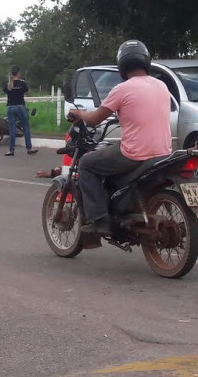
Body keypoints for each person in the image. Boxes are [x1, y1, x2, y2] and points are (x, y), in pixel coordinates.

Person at [67, 40, 172, 236]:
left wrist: (79, 114)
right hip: (163, 153)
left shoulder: (122, 89)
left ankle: (99, 220)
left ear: (122, 65)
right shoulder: (162, 86)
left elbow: (95, 119)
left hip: (134, 155)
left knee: (87, 163)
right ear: (146, 61)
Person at [3, 65, 37, 156]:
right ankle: (29, 148)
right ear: (18, 73)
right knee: (26, 127)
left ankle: (11, 150)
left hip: (10, 107)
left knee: (12, 128)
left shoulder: (8, 84)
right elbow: (29, 94)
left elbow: (5, 91)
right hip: (20, 107)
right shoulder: (22, 83)